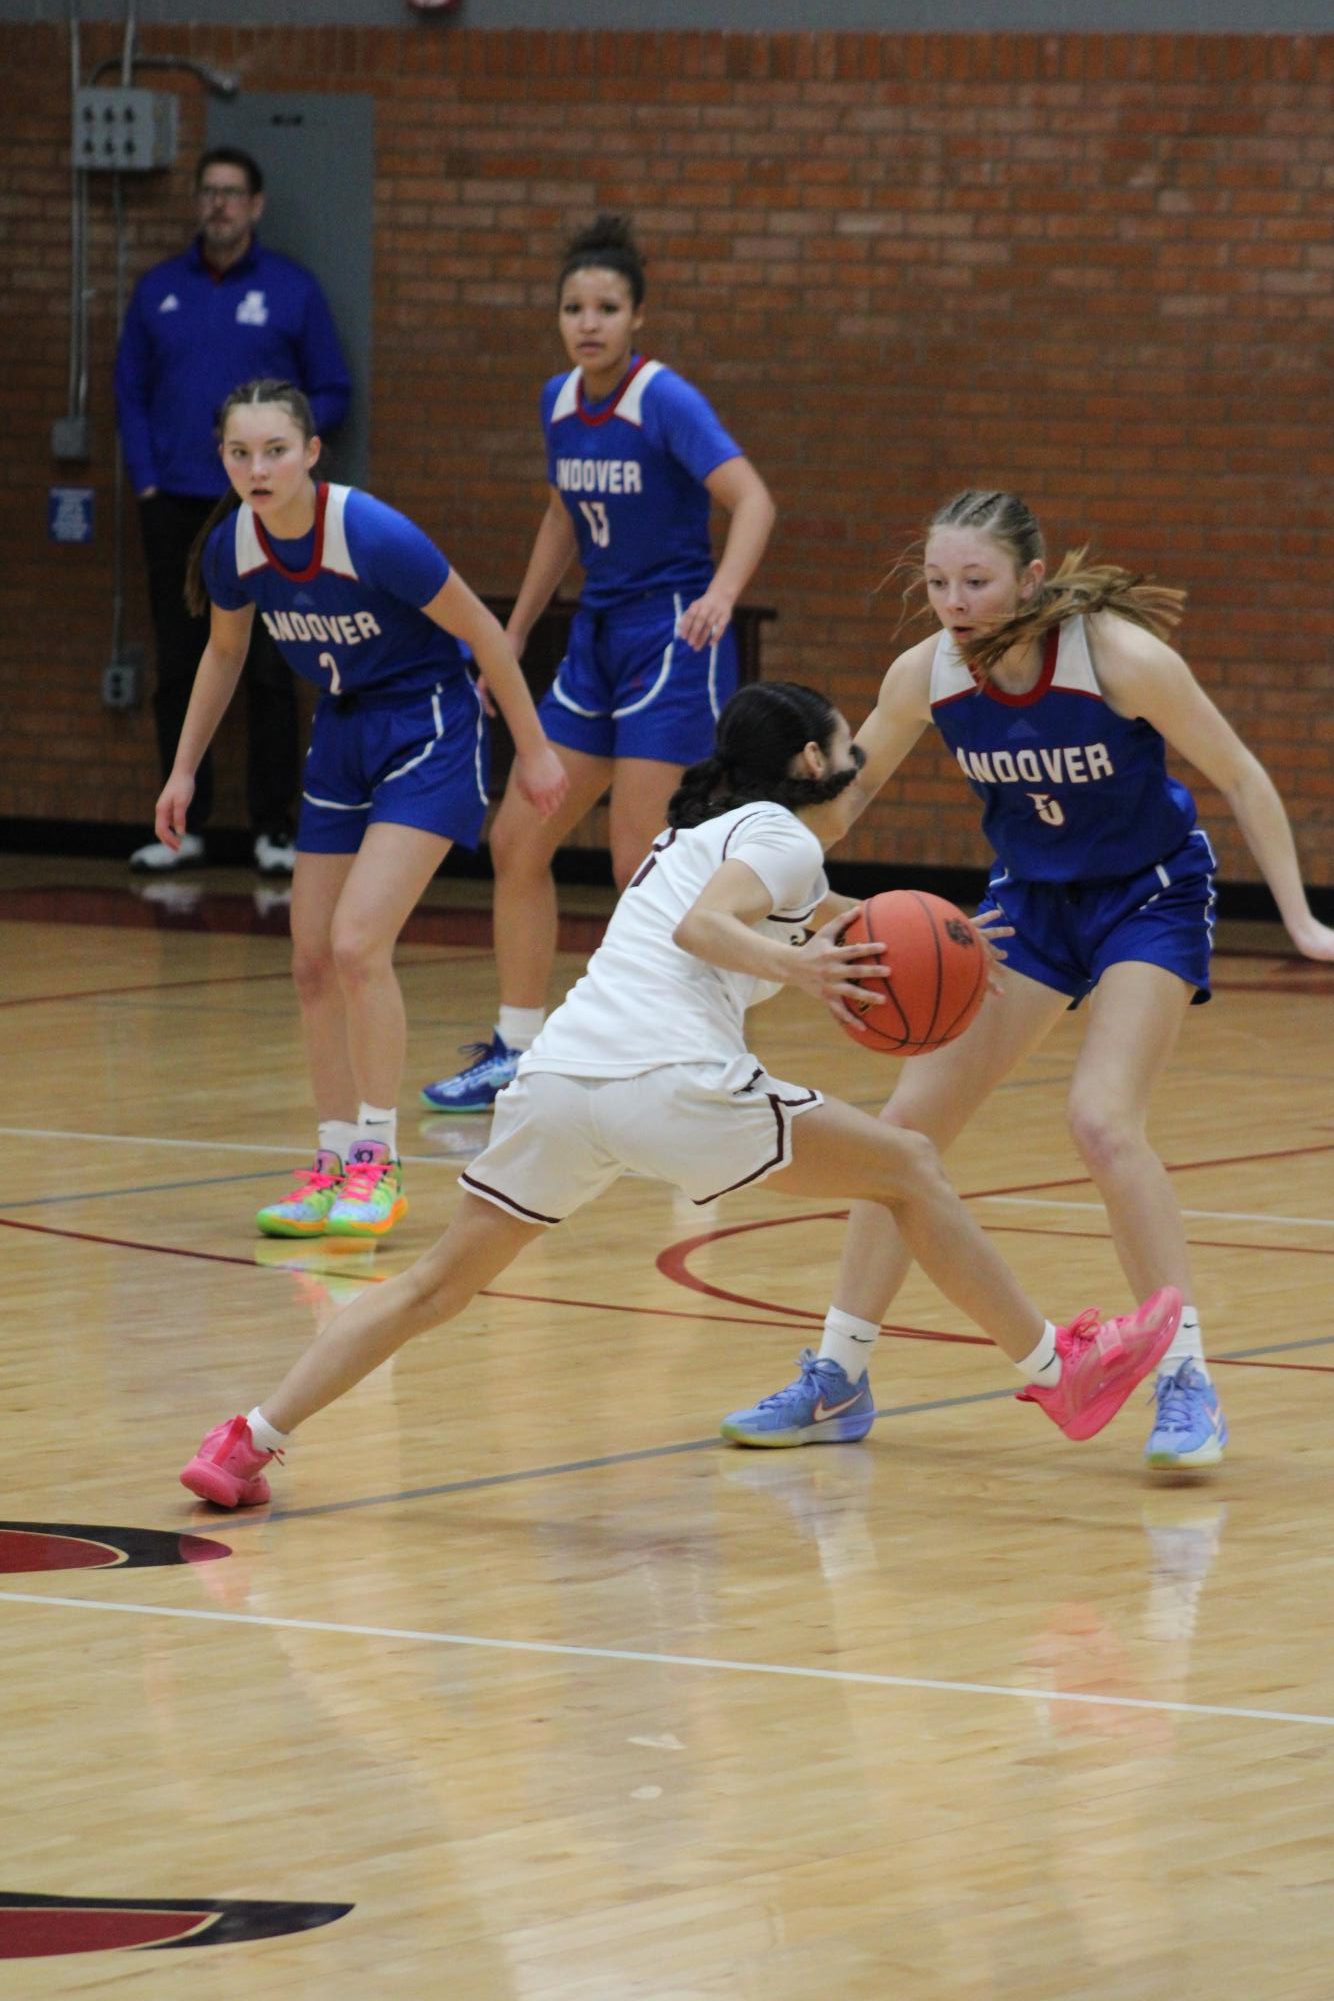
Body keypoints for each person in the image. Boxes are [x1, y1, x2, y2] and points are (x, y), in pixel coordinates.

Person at [179, 679, 1181, 1508]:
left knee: (433, 1287)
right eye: (845, 743)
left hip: (562, 1084)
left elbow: (828, 919)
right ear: (806, 762)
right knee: (910, 1168)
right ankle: (1060, 1370)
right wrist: (805, 975)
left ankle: (246, 1441)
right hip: (668, 1080)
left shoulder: (710, 835)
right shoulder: (777, 838)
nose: (856, 759)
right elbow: (710, 930)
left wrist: (948, 936)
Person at [722, 490, 1334, 1471]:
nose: (952, 601)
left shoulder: (1117, 659)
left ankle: (1180, 1377)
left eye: (974, 581)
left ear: (1029, 581)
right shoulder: (924, 674)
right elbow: (846, 797)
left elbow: (1241, 773)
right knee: (903, 1136)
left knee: (1099, 1119)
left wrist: (1301, 920)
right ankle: (838, 1375)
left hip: (1147, 897)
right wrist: (762, 879)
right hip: (1026, 910)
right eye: (935, 583)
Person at [158, 377, 568, 1243]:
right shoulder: (234, 546)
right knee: (310, 961)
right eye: (240, 453)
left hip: (426, 722)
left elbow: (486, 636)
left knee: (356, 943)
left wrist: (532, 751)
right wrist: (183, 771)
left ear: (311, 452)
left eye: (275, 450)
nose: (257, 468)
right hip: (342, 732)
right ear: (224, 459)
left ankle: (378, 1164)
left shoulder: (371, 532)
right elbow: (224, 654)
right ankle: (333, 1159)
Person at [420, 214, 777, 1113]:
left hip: (671, 637)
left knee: (639, 863)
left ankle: (685, 1049)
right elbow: (559, 520)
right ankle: (518, 1045)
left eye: (607, 307)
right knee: (518, 838)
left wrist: (724, 594)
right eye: (574, 307)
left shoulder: (665, 400)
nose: (589, 322)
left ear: (637, 317)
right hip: (595, 635)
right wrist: (513, 628)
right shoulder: (556, 402)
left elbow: (753, 499)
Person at [115, 145, 352, 876]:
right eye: (208, 192)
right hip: (177, 504)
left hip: (264, 509)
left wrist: (283, 460)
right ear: (197, 203)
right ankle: (180, 823)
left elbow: (334, 389)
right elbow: (128, 392)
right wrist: (150, 480)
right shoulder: (158, 290)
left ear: (255, 205)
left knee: (273, 666)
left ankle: (274, 827)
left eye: (232, 193)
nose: (219, 204)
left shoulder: (292, 290)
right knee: (183, 661)